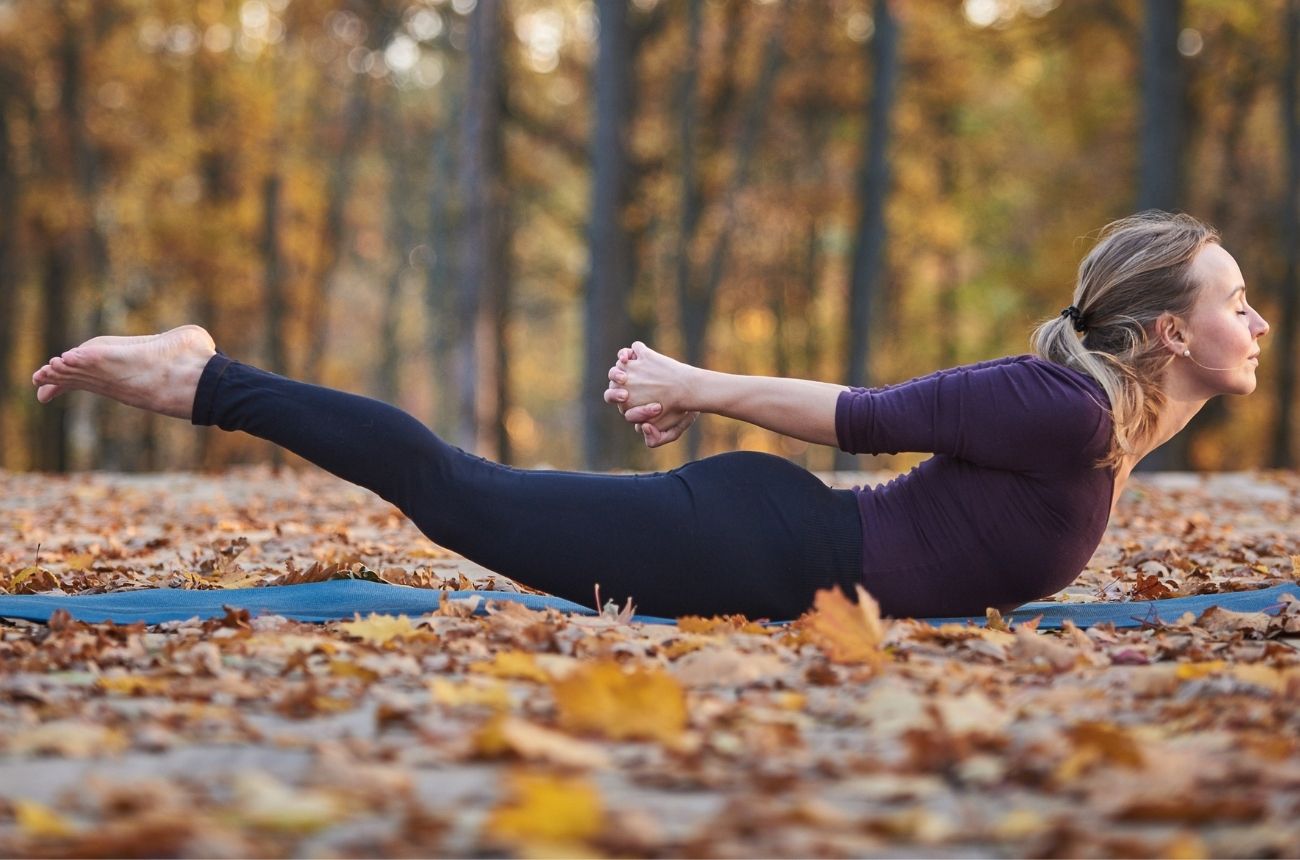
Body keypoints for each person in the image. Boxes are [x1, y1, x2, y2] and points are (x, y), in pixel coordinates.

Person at [30, 211, 1269, 620]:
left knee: (466, 493)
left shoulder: (1104, 427)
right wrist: (692, 382)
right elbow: (864, 415)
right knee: (456, 490)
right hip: (756, 544)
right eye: (1235, 300)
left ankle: (207, 375)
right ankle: (204, 375)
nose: (1256, 320)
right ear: (1169, 332)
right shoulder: (1056, 405)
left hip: (775, 546)